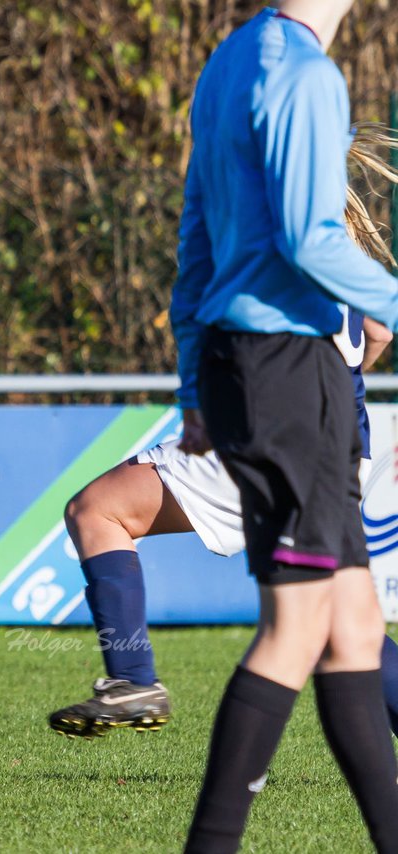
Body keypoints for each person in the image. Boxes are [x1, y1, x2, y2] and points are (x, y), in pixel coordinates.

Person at [49, 123, 398, 740]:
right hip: (337, 445)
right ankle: (132, 678)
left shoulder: (256, 227)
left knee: (98, 510)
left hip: (266, 438)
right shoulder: (333, 239)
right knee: (331, 619)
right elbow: (378, 332)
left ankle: (132, 676)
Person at [169, 3, 398, 850]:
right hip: (284, 368)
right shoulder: (304, 73)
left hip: (269, 367)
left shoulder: (228, 61)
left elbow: (195, 241)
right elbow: (309, 238)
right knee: (298, 629)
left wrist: (196, 379)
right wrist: (390, 303)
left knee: (354, 629)